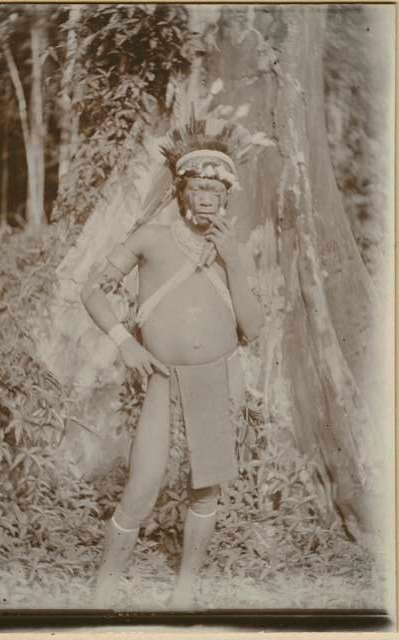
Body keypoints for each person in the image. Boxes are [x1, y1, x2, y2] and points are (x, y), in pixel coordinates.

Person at [80, 116, 264, 609]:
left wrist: (234, 260)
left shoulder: (233, 248)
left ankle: (184, 591)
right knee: (142, 486)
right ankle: (104, 590)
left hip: (217, 377)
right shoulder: (151, 237)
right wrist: (124, 341)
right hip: (162, 378)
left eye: (215, 190)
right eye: (198, 187)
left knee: (207, 488)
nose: (206, 197)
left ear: (226, 197)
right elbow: (93, 290)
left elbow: (255, 326)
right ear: (181, 191)